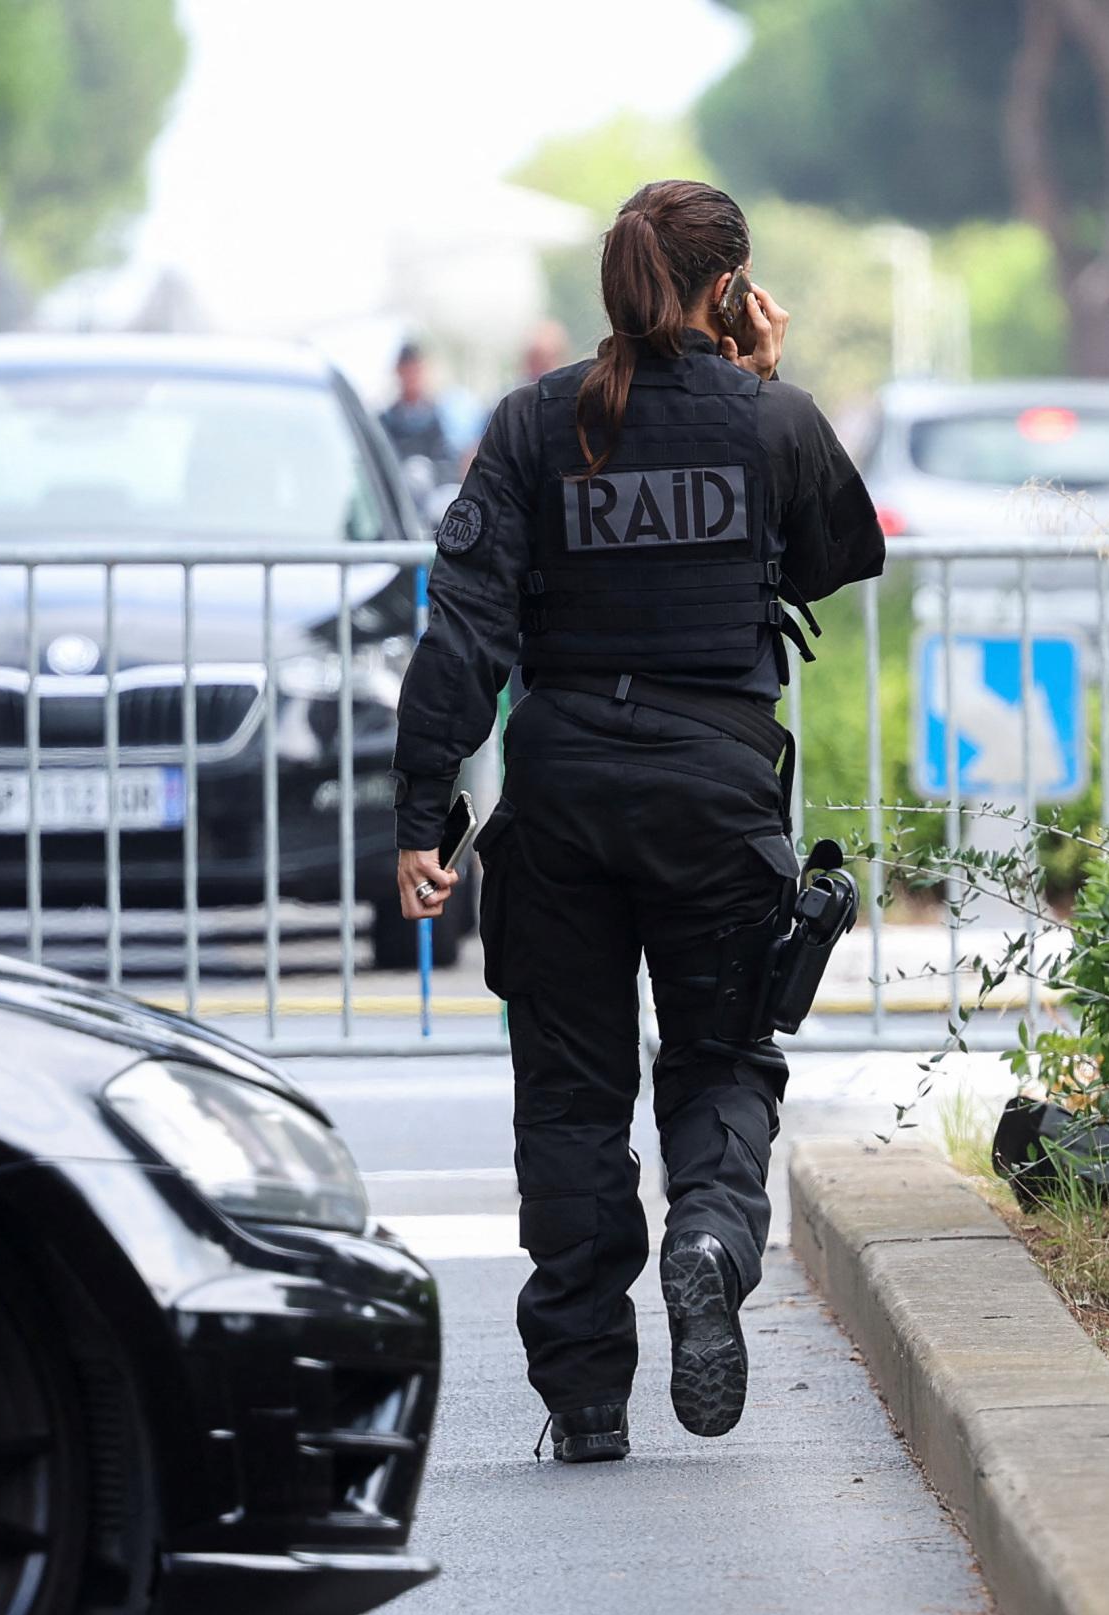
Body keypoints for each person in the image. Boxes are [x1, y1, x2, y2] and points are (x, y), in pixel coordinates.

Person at [391, 181, 886, 1465]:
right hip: (715, 791)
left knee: (568, 1099)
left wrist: (420, 819)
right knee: (719, 1064)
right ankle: (713, 1244)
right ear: (728, 290)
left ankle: (588, 1396)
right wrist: (762, 383)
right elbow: (838, 554)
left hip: (558, 798)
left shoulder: (530, 425)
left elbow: (463, 639)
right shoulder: (770, 419)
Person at [375, 339, 456, 471]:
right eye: (407, 371)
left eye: (415, 371)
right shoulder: (386, 420)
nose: (411, 378)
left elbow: (446, 462)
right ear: (398, 371)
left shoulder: (436, 418)